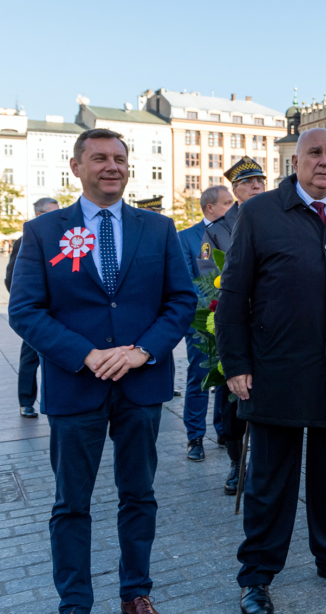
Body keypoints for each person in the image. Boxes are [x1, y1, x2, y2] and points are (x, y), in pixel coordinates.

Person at [9, 128, 196, 614]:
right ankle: (75, 602)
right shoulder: (43, 231)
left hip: (141, 385)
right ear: (76, 167)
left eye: (119, 158)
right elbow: (25, 310)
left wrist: (143, 351)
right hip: (76, 386)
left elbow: (181, 300)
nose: (111, 166)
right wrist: (85, 354)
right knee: (71, 503)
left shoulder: (158, 229)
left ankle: (136, 592)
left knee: (139, 495)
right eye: (99, 158)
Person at [216, 128, 326, 614]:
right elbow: (233, 295)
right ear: (296, 160)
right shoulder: (260, 213)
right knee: (271, 482)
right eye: (314, 152)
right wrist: (236, 364)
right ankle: (257, 574)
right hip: (277, 370)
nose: (324, 161)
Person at [200, 157, 266, 495]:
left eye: (260, 180)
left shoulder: (278, 216)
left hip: (271, 326)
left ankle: (267, 464)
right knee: (233, 402)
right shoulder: (216, 230)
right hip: (234, 324)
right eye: (249, 182)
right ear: (235, 190)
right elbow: (208, 281)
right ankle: (236, 463)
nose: (257, 186)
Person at [178, 185, 234, 461]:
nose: (232, 207)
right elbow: (185, 280)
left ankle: (223, 429)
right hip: (201, 321)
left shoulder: (234, 234)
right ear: (210, 208)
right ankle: (195, 437)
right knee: (199, 377)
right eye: (227, 203)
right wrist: (211, 307)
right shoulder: (186, 238)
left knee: (226, 377)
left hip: (229, 321)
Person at [6, 197, 59, 418]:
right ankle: (26, 401)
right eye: (53, 212)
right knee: (30, 359)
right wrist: (31, 306)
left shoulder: (65, 238)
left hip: (60, 313)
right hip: (38, 314)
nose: (58, 216)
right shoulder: (26, 239)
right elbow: (13, 279)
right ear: (39, 215)